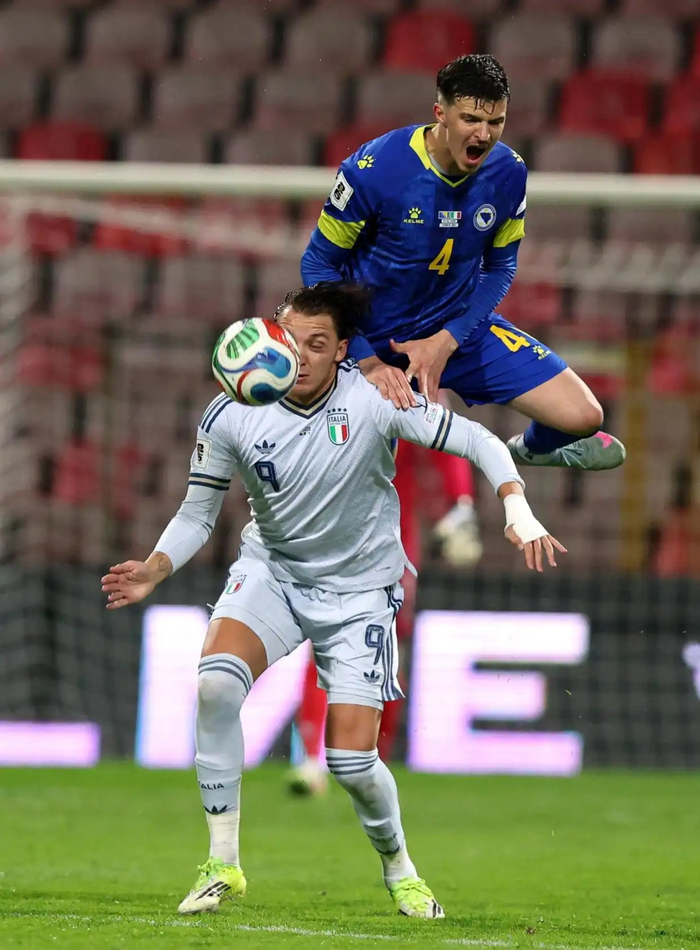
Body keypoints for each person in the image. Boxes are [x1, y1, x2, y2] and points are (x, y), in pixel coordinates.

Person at [100, 283, 566, 920]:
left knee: (350, 761)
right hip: (273, 573)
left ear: (343, 350)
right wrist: (155, 568)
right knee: (215, 686)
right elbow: (197, 512)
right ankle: (222, 863)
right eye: (291, 341)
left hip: (360, 593)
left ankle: (400, 869)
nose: (300, 356)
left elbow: (480, 442)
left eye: (317, 344)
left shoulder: (374, 398)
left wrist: (517, 508)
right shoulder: (231, 411)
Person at [301, 54, 625, 473]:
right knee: (346, 476)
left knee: (584, 416)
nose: (483, 134)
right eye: (471, 119)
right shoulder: (376, 168)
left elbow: (501, 268)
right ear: (441, 113)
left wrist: (448, 339)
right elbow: (318, 266)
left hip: (456, 331)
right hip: (370, 339)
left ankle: (532, 449)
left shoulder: (508, 172)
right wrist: (366, 358)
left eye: (495, 122)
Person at [286, 440, 482, 796]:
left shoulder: (408, 406)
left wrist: (459, 507)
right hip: (334, 540)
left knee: (385, 654)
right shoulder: (329, 405)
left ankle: (373, 760)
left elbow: (444, 443)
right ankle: (312, 760)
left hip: (393, 547)